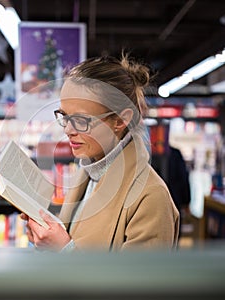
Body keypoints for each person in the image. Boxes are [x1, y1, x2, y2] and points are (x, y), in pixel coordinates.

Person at [21, 54, 179, 252]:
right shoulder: (87, 173)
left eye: (81, 120)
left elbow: (141, 281)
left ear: (121, 120)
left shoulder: (151, 197)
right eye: (64, 116)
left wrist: (63, 250)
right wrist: (45, 240)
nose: (68, 130)